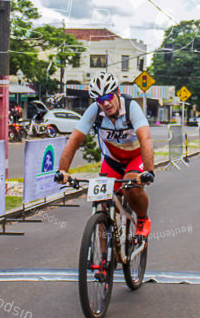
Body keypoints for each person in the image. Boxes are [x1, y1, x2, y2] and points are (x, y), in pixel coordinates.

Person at [55, 72, 155, 237]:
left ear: (118, 93)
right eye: (100, 100)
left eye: (109, 96)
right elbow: (74, 141)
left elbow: (146, 139)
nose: (106, 103)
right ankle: (103, 257)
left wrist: (149, 171)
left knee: (131, 188)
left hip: (135, 158)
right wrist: (62, 171)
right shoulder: (94, 111)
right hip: (112, 160)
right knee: (103, 202)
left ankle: (143, 218)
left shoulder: (131, 108)